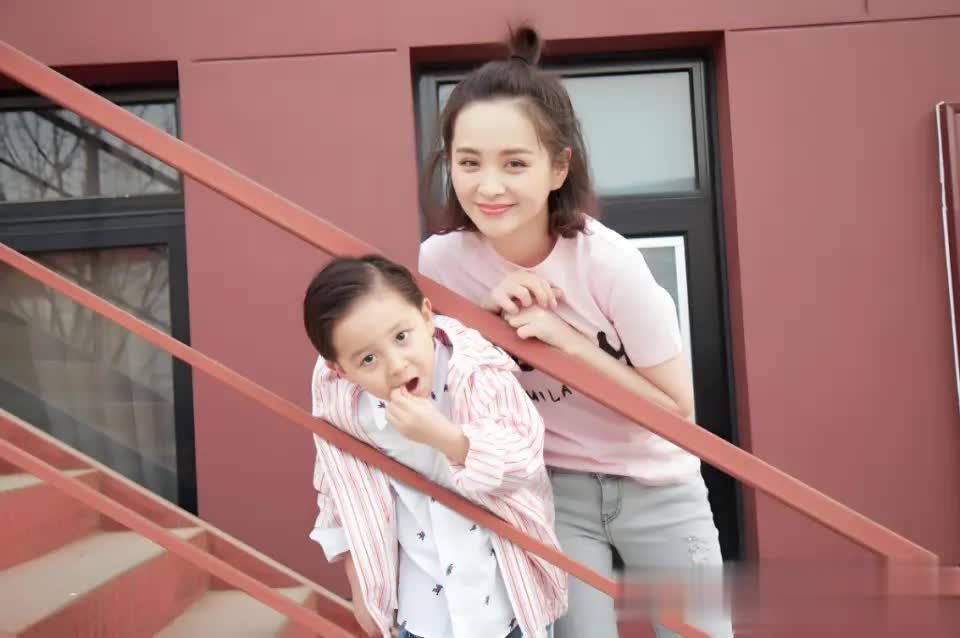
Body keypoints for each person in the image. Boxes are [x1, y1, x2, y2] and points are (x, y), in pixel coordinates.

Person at [418, 24, 733, 638]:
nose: (489, 186)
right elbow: (438, 387)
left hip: (657, 484)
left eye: (515, 163)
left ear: (558, 167)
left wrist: (567, 343)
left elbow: (678, 412)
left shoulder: (609, 263)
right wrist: (482, 320)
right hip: (550, 487)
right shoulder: (439, 264)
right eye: (469, 162)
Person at [304, 254, 566, 638]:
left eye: (402, 337)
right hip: (422, 611)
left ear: (426, 316)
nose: (396, 364)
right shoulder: (347, 408)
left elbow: (522, 458)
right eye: (369, 359)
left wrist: (445, 437)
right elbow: (339, 494)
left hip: (507, 602)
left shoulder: (475, 371)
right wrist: (362, 591)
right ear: (341, 371)